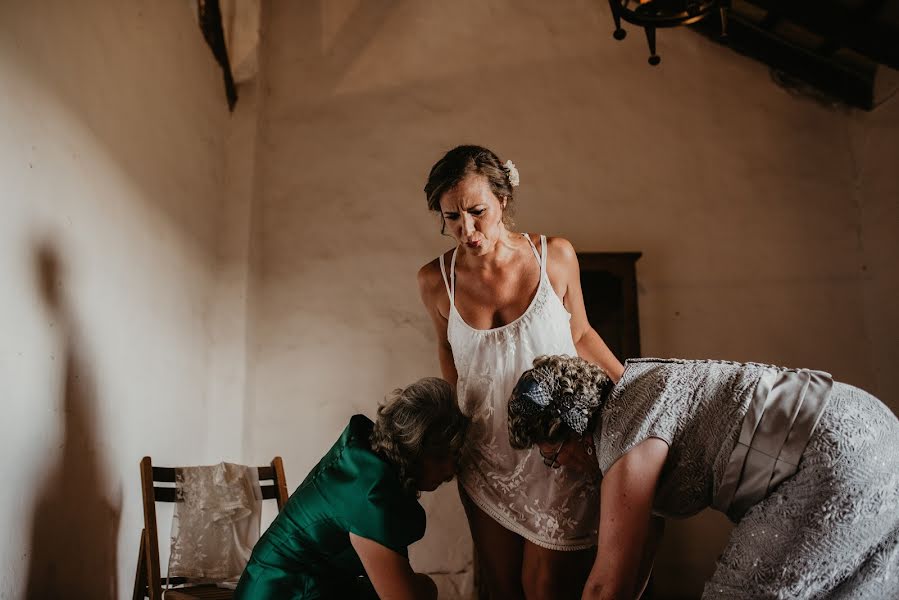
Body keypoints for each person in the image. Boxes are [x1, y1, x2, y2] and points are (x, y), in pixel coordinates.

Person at [507, 354, 899, 599]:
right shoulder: (637, 390)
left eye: (552, 457)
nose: (559, 470)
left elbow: (607, 587)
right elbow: (637, 558)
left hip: (828, 454)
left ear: (574, 434)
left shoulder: (622, 444)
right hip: (877, 426)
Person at [417, 145, 625, 599]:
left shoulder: (556, 256)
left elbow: (583, 334)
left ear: (503, 201)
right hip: (485, 454)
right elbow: (448, 357)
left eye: (477, 212)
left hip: (556, 445)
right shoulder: (435, 280)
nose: (466, 230)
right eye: (452, 217)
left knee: (547, 587)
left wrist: (630, 391)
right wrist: (452, 434)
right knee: (502, 587)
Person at [234, 377, 469, 600]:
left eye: (454, 455)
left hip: (298, 584)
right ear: (415, 448)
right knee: (424, 589)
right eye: (440, 456)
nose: (450, 469)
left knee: (422, 588)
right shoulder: (371, 495)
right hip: (285, 591)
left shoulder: (367, 456)